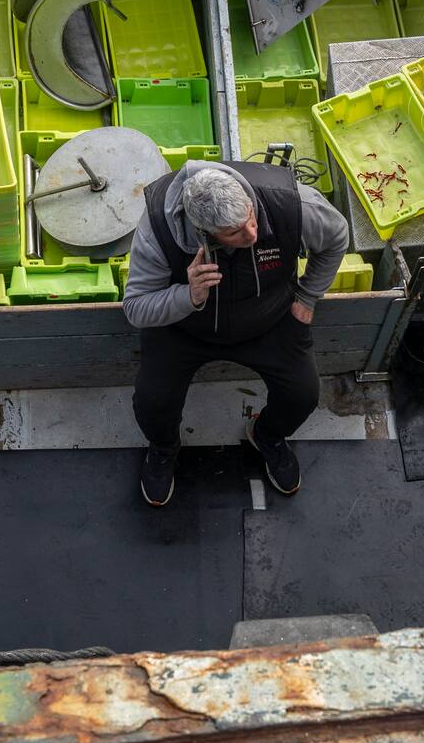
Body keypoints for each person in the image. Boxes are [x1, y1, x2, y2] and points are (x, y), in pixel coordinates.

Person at [123, 159, 348, 507]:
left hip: (269, 320)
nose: (252, 234)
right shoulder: (157, 230)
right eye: (235, 232)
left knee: (302, 395)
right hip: (184, 328)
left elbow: (336, 238)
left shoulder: (291, 205)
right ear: (203, 232)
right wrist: (189, 296)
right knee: (152, 403)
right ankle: (164, 448)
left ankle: (267, 436)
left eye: (250, 218)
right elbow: (136, 307)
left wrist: (308, 297)